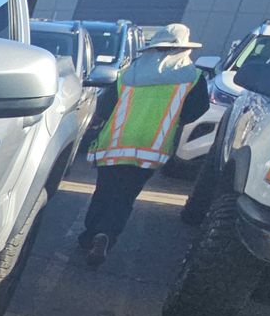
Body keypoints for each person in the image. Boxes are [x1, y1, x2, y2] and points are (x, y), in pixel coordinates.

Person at [78, 22, 209, 266]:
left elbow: (105, 107)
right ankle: (107, 234)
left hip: (114, 143)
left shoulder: (130, 73)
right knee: (125, 196)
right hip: (151, 149)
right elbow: (197, 110)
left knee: (104, 191)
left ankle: (89, 235)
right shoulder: (193, 77)